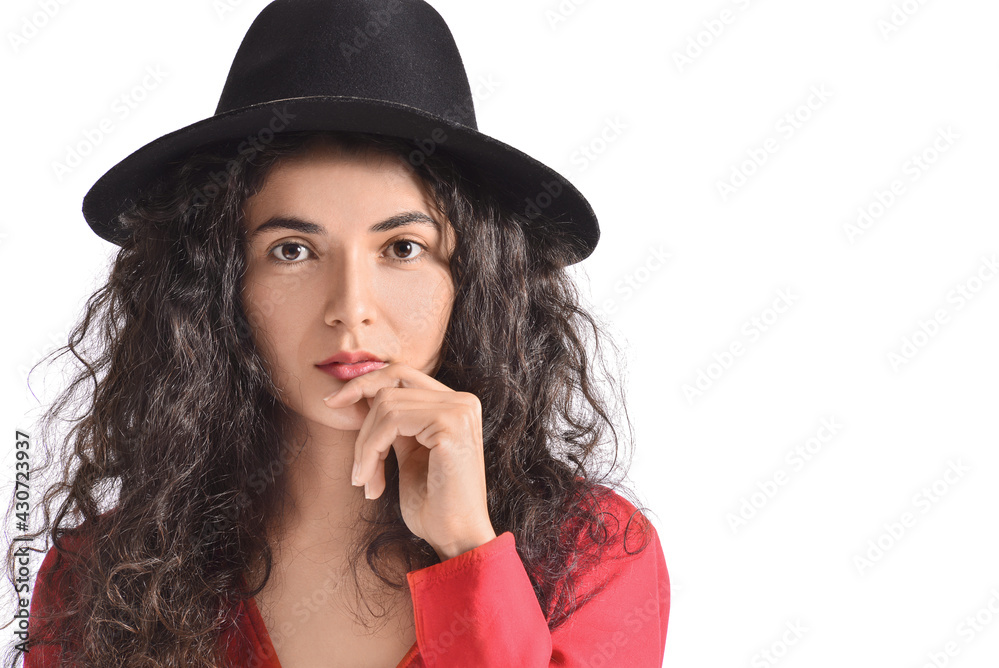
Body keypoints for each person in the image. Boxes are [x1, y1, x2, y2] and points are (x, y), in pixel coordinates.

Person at [4, 1, 670, 666]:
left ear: (473, 277)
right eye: (293, 250)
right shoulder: (101, 580)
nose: (351, 309)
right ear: (218, 283)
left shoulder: (595, 555)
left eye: (403, 248)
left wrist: (469, 550)